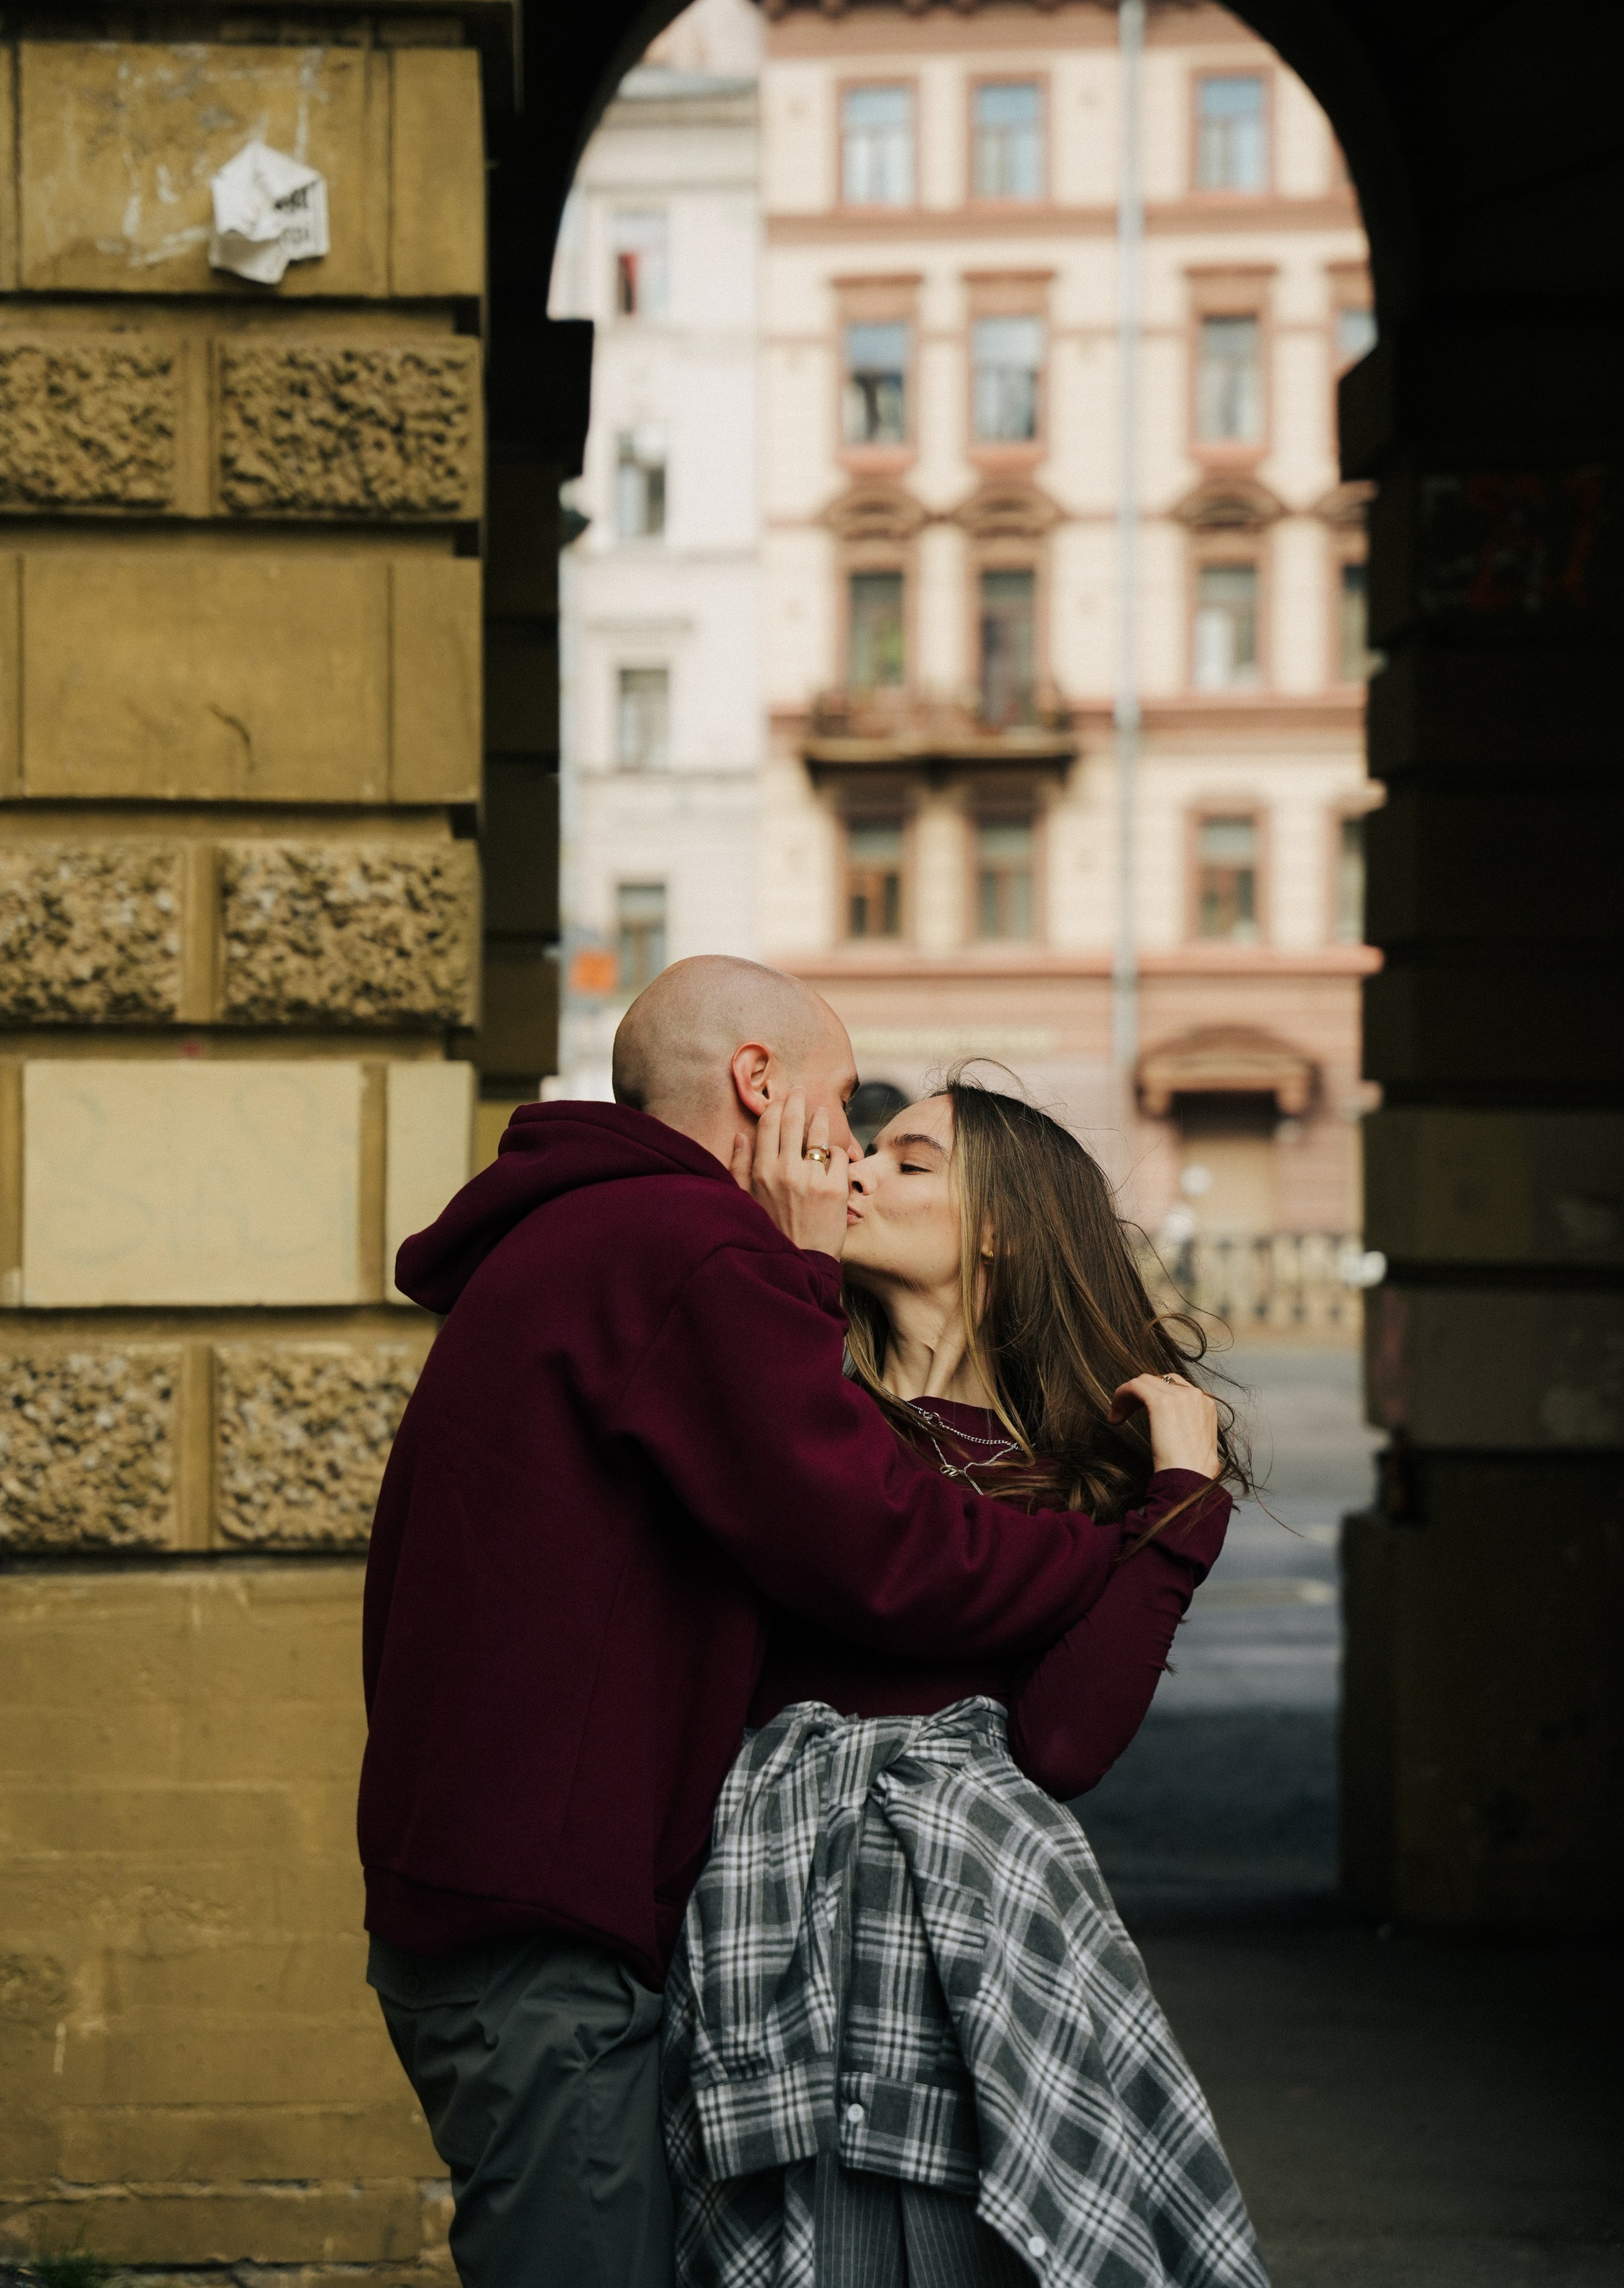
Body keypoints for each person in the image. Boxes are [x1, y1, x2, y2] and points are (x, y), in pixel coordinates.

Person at [357, 962, 1184, 2288]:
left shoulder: (602, 1237)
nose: (849, 1156)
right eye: (849, 1108)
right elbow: (879, 1549)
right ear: (758, 1082)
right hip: (553, 1926)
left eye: (899, 1150)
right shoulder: (693, 1250)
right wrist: (1139, 1538)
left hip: (539, 1908)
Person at [664, 1079, 1269, 2288]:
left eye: (908, 1161)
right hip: (767, 1927)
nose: (856, 1171)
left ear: (1000, 1227)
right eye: (865, 1151)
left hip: (976, 1945)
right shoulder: (797, 1407)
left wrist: (1180, 1504)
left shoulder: (1076, 1473)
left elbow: (1064, 1748)